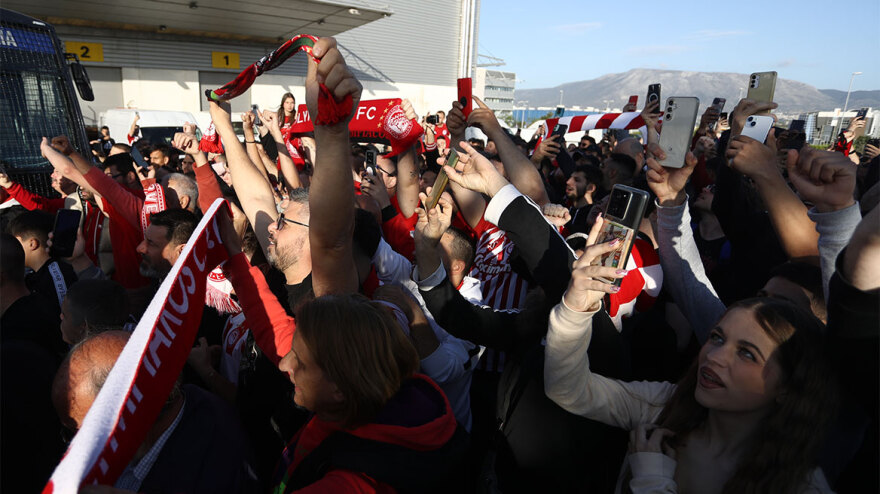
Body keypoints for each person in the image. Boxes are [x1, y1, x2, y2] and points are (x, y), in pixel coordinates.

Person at [544, 221, 838, 493]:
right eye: (717, 338)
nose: (715, 357)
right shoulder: (662, 406)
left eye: (747, 353)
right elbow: (569, 390)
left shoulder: (800, 486)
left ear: (789, 385)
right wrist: (574, 309)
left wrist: (652, 480)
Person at [52, 331, 261, 493]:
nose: (75, 446)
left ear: (129, 414)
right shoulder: (182, 409)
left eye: (78, 430)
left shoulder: (213, 472)